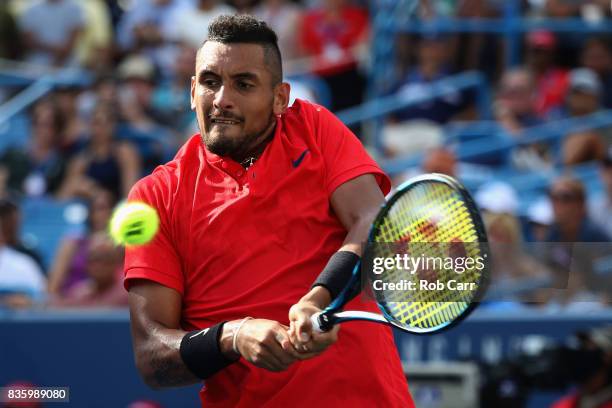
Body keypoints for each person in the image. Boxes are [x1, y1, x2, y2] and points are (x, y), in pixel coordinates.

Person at [124, 15, 413, 407]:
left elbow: (373, 220)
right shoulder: (155, 197)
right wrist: (234, 336)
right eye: (210, 82)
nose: (222, 99)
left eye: (244, 84)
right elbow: (151, 358)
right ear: (192, 91)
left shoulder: (314, 127)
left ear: (280, 98)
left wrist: (320, 297)